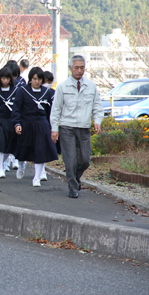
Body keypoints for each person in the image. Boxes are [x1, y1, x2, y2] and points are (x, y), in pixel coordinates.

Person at [50, 55, 103, 198]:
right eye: (76, 68)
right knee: (70, 160)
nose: (79, 71)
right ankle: (72, 187)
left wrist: (97, 121)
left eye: (82, 68)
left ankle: (76, 178)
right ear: (70, 68)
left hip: (84, 128)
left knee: (85, 160)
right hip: (67, 127)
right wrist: (55, 129)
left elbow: (97, 107)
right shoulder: (62, 87)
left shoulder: (91, 86)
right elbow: (56, 110)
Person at [11, 67, 57, 187]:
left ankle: (37, 177)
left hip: (41, 124)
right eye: (34, 79)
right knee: (24, 148)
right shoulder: (22, 91)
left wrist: (53, 127)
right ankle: (21, 165)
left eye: (39, 79)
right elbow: (16, 109)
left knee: (40, 150)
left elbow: (51, 111)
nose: (37, 81)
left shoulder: (47, 92)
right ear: (30, 79)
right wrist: (17, 123)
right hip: (26, 123)